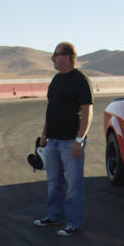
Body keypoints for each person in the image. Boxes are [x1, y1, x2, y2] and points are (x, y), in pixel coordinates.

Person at [34, 42, 94, 236]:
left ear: (67, 57)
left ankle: (74, 223)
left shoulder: (81, 80)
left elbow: (88, 113)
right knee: (54, 181)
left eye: (55, 54)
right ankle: (54, 216)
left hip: (71, 141)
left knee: (74, 185)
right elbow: (50, 109)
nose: (52, 58)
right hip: (53, 140)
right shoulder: (56, 80)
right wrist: (44, 134)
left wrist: (79, 140)